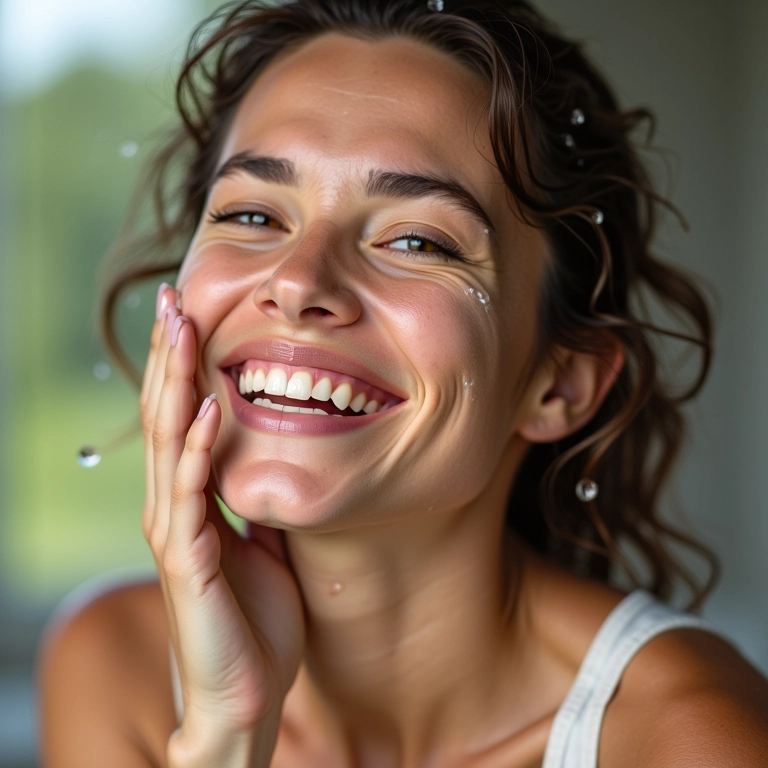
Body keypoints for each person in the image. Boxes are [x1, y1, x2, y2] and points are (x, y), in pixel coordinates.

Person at [37, 1, 768, 766]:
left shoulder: (694, 738)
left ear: (560, 386)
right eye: (253, 214)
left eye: (416, 239)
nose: (296, 281)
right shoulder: (113, 664)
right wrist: (227, 735)